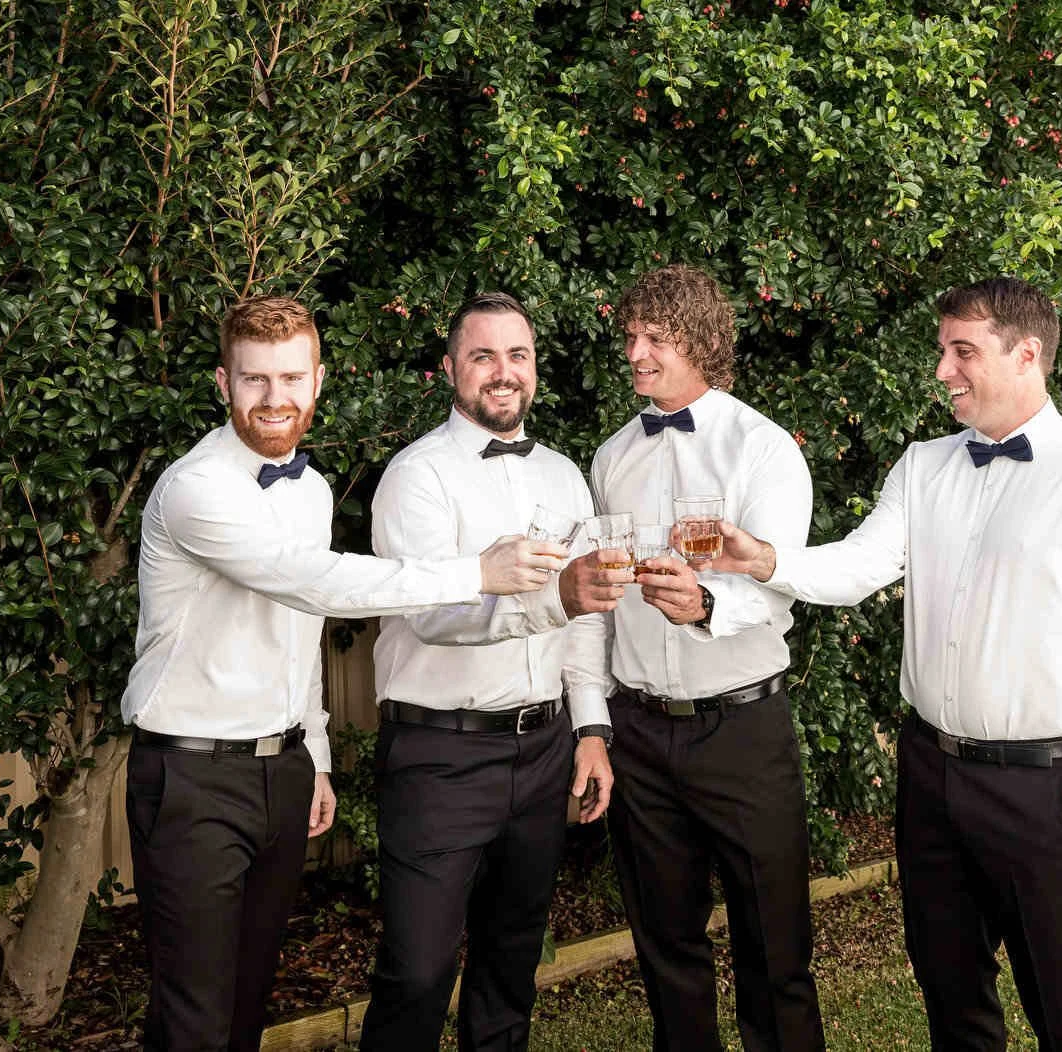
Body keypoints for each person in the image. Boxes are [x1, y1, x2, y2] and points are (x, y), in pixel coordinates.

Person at [712, 277, 1062, 1051]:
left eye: (962, 351)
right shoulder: (923, 465)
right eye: (943, 351)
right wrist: (767, 560)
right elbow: (861, 565)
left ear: (1026, 354)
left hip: (1047, 792)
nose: (943, 371)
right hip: (932, 779)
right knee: (952, 1003)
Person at [121, 295, 563, 1052]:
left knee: (248, 1004)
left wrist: (315, 752)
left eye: (292, 378)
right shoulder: (196, 488)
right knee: (193, 1017)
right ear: (223, 383)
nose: (275, 398)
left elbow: (300, 634)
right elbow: (316, 585)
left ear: (318, 381)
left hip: (281, 767)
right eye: (255, 379)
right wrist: (476, 573)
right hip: (192, 774)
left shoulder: (312, 488)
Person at [568, 264, 826, 1051]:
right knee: (666, 947)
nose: (635, 353)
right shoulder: (612, 457)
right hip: (641, 734)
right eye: (630, 336)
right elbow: (594, 608)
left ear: (703, 341)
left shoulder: (762, 449)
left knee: (775, 949)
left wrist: (708, 604)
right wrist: (595, 724)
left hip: (742, 731)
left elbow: (778, 587)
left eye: (656, 337)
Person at [357, 292, 621, 1052]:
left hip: (542, 752)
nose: (503, 373)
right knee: (416, 972)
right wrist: (553, 599)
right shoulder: (416, 477)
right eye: (483, 356)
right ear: (450, 369)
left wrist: (591, 727)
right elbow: (430, 615)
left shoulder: (566, 477)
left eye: (518, 355)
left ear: (534, 367)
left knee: (511, 963)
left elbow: (587, 617)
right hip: (439, 753)